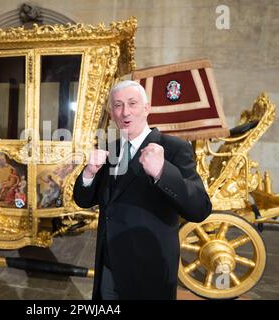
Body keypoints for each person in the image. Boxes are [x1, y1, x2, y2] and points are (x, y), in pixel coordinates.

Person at [73, 80, 212, 300]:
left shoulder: (174, 148)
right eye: (117, 105)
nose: (125, 111)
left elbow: (200, 209)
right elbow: (83, 200)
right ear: (111, 113)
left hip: (149, 271)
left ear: (146, 108)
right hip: (108, 267)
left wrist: (162, 173)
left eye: (132, 103)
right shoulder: (111, 148)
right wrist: (89, 173)